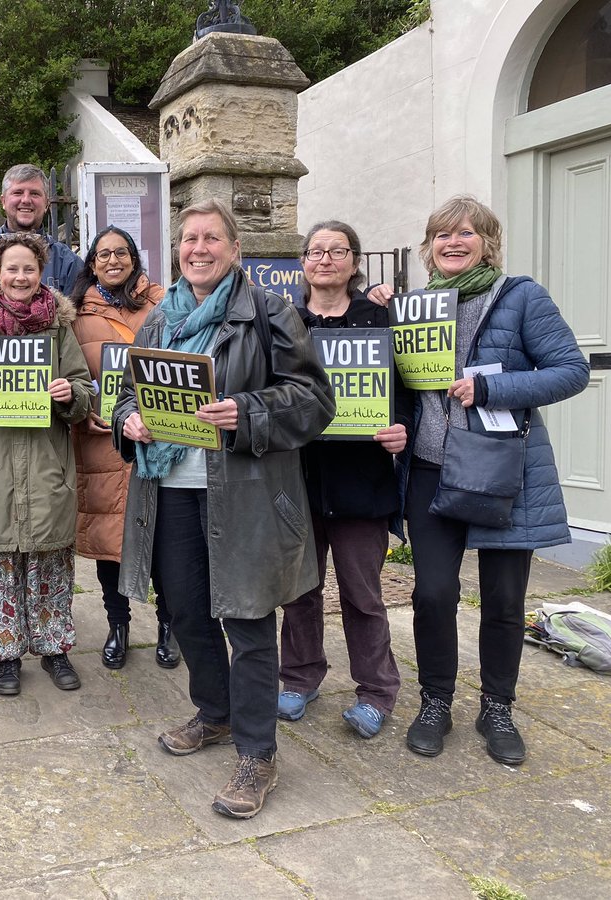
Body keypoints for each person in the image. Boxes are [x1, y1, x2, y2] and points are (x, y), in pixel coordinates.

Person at [113, 198, 334, 819]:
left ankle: (257, 756)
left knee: (248, 622)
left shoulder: (269, 310)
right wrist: (128, 419)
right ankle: (214, 713)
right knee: (186, 614)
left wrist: (248, 413)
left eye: (212, 238)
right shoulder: (159, 320)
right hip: (170, 492)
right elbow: (126, 394)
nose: (200, 248)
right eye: (190, 239)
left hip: (244, 496)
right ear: (178, 250)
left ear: (235, 250)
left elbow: (315, 399)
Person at [369, 196, 588, 766]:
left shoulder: (520, 298)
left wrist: (493, 388)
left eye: (466, 233)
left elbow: (572, 371)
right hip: (429, 472)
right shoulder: (416, 307)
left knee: (504, 599)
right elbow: (388, 379)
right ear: (428, 246)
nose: (453, 242)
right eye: (442, 235)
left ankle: (497, 707)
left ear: (487, 241)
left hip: (499, 469)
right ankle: (436, 701)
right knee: (433, 594)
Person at [0, 233, 95, 696]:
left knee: (49, 562)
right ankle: (5, 654)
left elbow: (85, 391)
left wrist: (70, 395)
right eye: (12, 269)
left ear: (41, 273)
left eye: (29, 269)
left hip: (46, 466)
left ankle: (53, 649)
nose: (20, 277)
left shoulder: (59, 329)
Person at [277, 220, 410, 739]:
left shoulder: (382, 319)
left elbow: (411, 393)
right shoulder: (285, 324)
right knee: (300, 592)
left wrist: (403, 429)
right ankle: (299, 678)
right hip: (299, 480)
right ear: (303, 263)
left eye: (338, 250)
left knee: (363, 594)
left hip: (363, 485)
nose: (325, 258)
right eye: (315, 250)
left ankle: (376, 692)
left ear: (355, 262)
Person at [68, 226, 177, 670]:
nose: (113, 261)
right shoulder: (74, 315)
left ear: (134, 258)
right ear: (91, 264)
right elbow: (70, 375)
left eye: (121, 253)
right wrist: (81, 411)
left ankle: (171, 626)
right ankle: (119, 625)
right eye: (103, 255)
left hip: (162, 438)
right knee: (111, 539)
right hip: (104, 442)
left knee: (170, 542)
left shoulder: (167, 303)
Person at [0, 164, 82, 324]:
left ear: (47, 203)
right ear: (3, 201)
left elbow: (77, 326)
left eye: (35, 193)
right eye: (18, 192)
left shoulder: (68, 263)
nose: (26, 200)